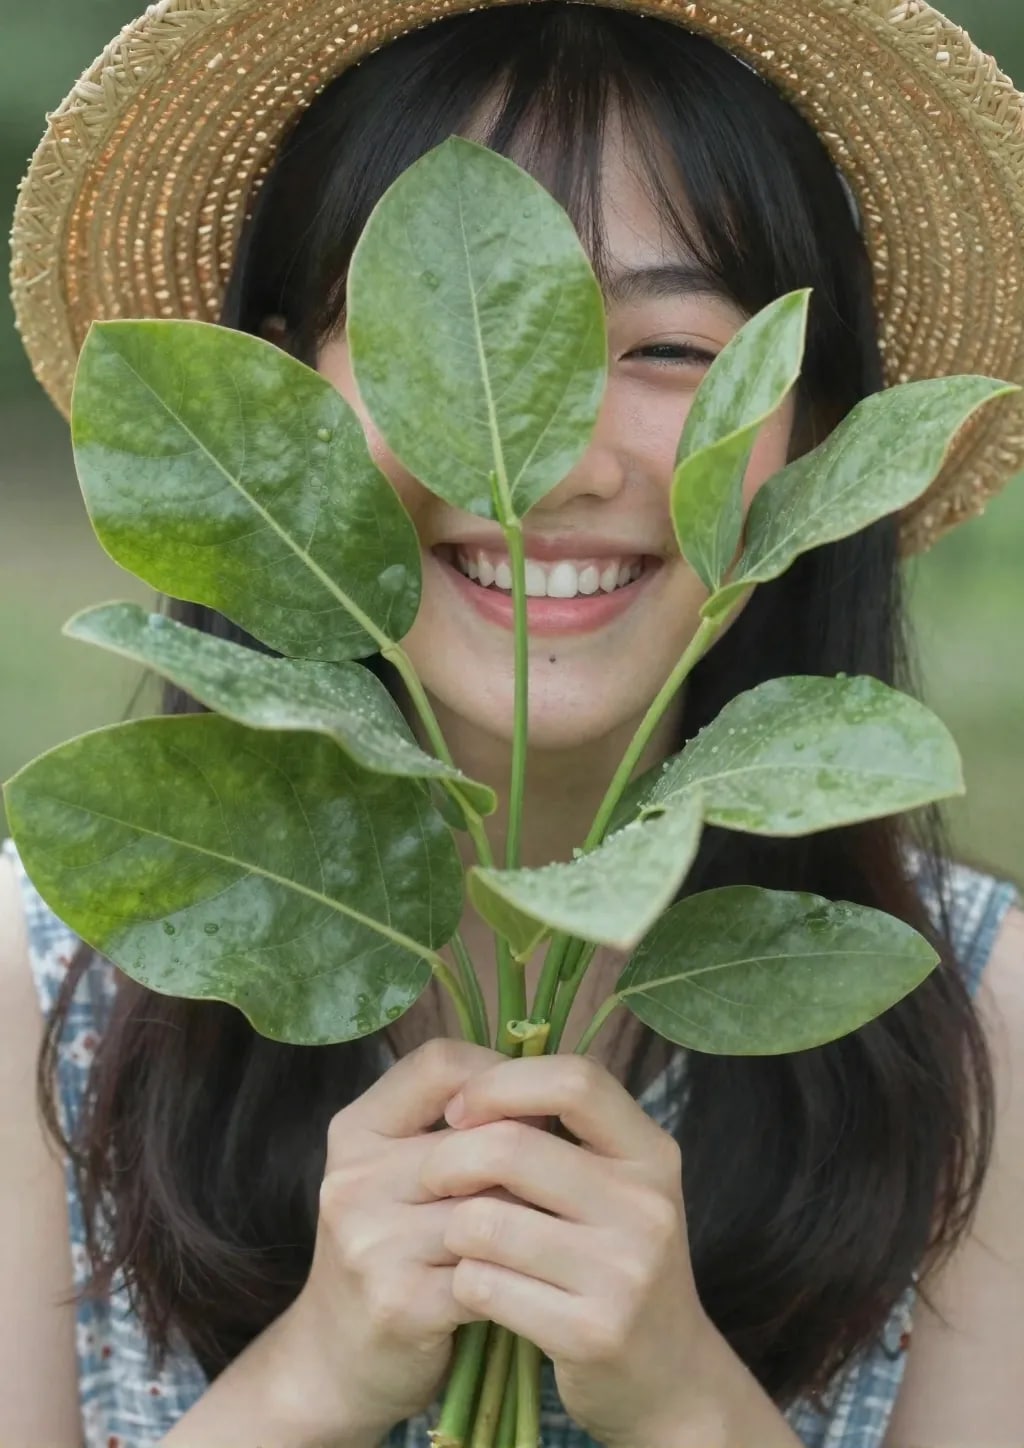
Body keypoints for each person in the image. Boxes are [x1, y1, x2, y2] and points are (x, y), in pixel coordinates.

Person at [3, 3, 1023, 1445]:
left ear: (809, 434)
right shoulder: (34, 984)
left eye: (670, 349)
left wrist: (685, 1401)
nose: (563, 465)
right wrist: (314, 1382)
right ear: (281, 409)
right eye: (449, 346)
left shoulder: (987, 1018)